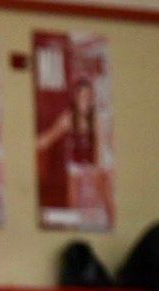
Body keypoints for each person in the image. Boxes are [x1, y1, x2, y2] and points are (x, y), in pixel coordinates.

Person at [35, 78, 113, 226]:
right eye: (82, 96)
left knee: (104, 187)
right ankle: (74, 223)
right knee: (73, 185)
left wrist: (97, 177)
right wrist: (24, 145)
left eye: (89, 97)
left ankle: (111, 219)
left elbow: (99, 148)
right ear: (76, 99)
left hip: (96, 158)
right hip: (77, 159)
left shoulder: (97, 119)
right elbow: (49, 138)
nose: (85, 100)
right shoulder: (68, 118)